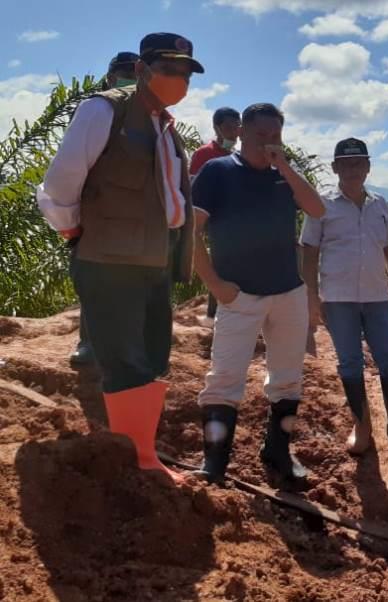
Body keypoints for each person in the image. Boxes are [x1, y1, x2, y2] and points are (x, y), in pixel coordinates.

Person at [36, 33, 204, 482]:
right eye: (170, 70)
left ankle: (141, 450)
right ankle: (141, 464)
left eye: (186, 72)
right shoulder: (104, 110)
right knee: (125, 360)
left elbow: (172, 201)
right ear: (145, 71)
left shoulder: (164, 127)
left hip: (154, 261)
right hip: (109, 259)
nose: (179, 80)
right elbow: (59, 186)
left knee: (152, 356)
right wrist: (75, 232)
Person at [190, 103, 326, 484]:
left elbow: (317, 210)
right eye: (261, 135)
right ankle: (214, 463)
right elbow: (190, 231)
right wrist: (214, 284)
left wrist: (285, 166)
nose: (268, 142)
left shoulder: (284, 178)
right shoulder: (217, 172)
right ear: (242, 134)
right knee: (224, 380)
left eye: (276, 135)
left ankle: (278, 453)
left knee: (288, 380)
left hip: (289, 293)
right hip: (239, 296)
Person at [300, 138, 388, 469]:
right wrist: (312, 297)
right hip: (338, 299)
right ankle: (362, 427)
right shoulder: (321, 204)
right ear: (335, 168)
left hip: (376, 297)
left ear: (368, 166)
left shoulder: (380, 204)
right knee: (349, 363)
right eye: (346, 164)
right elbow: (309, 251)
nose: (353, 170)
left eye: (359, 163)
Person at [69, 50, 143, 368]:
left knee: (134, 283)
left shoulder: (150, 117)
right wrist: (70, 222)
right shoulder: (97, 110)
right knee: (96, 280)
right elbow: (71, 170)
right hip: (98, 214)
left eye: (135, 73)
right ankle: (88, 343)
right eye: (124, 73)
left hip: (138, 217)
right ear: (111, 77)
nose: (130, 79)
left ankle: (128, 346)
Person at [190, 107, 242, 328]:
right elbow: (193, 187)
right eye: (228, 127)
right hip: (212, 218)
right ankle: (213, 315)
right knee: (218, 264)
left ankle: (232, 311)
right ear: (216, 128)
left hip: (236, 218)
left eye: (236, 126)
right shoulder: (204, 153)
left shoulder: (237, 156)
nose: (233, 132)